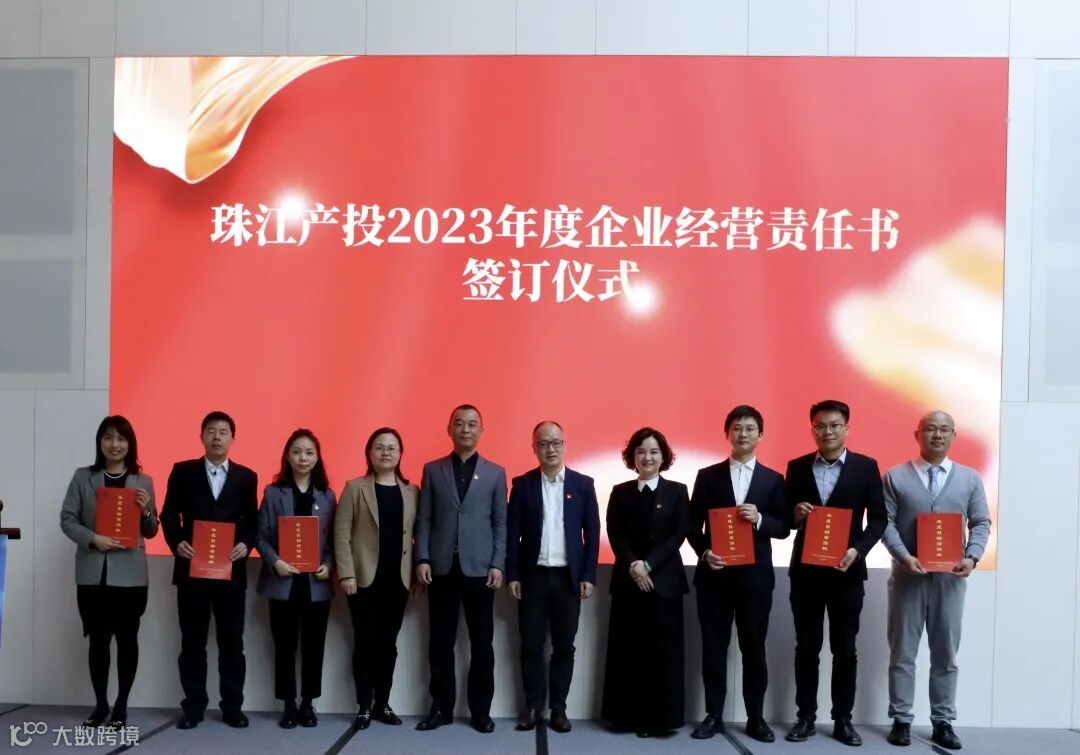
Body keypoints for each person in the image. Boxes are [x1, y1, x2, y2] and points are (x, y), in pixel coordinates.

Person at [882, 411, 991, 750]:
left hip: (950, 580)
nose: (937, 435)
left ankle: (943, 721)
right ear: (917, 434)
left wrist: (972, 557)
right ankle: (901, 719)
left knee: (945, 652)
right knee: (903, 652)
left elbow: (981, 522)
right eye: (930, 429)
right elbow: (885, 522)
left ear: (954, 436)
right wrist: (904, 556)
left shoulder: (969, 479)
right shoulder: (895, 476)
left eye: (944, 429)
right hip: (908, 578)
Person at [784, 400, 886, 747]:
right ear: (812, 429)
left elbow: (879, 519)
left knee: (845, 649)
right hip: (806, 573)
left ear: (847, 428)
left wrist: (858, 549)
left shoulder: (866, 467)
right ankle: (805, 716)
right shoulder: (797, 467)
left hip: (847, 572)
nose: (827, 431)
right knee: (806, 647)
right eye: (820, 426)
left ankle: (843, 719)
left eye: (834, 425)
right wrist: (795, 514)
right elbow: (785, 518)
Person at [686, 405, 789, 742]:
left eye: (750, 428)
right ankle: (714, 715)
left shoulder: (773, 479)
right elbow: (692, 525)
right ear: (727, 433)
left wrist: (760, 519)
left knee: (754, 649)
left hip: (755, 581)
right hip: (715, 578)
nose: (743, 434)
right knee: (713, 648)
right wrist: (704, 552)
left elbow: (783, 527)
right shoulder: (707, 476)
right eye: (737, 428)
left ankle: (755, 717)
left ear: (760, 435)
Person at [161, 411, 258, 729]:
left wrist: (246, 544)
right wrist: (177, 542)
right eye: (211, 431)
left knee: (233, 643)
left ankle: (232, 706)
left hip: (231, 573)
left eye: (223, 431)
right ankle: (193, 706)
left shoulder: (246, 477)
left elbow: (252, 521)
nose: (217, 436)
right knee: (192, 642)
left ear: (233, 438)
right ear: (201, 436)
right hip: (192, 572)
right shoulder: (182, 471)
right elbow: (168, 514)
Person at [59, 416, 158, 730]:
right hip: (93, 575)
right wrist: (93, 539)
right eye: (108, 437)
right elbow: (67, 519)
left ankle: (121, 706)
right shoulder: (83, 477)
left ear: (130, 444)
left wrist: (147, 509)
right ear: (100, 442)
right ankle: (100, 704)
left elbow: (151, 531)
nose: (115, 445)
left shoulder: (143, 481)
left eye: (121, 439)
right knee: (98, 641)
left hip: (131, 576)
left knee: (128, 640)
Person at [414, 404, 507, 733]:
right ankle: (441, 708)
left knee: (482, 643)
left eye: (472, 424)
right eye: (459, 424)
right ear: (449, 429)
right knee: (440, 642)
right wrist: (422, 558)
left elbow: (500, 523)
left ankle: (480, 711)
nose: (465, 429)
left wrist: (497, 563)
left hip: (480, 570)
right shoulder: (433, 470)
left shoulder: (495, 473)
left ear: (481, 431)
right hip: (441, 568)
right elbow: (424, 520)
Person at [506, 421, 600, 734]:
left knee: (564, 647)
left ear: (564, 445)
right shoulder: (522, 485)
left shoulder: (583, 485)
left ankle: (559, 708)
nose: (551, 449)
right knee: (531, 645)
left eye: (556, 442)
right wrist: (513, 573)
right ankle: (533, 707)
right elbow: (512, 534)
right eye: (544, 443)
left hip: (568, 578)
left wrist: (588, 574)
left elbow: (592, 533)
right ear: (534, 448)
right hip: (532, 576)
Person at [601, 427, 690, 738]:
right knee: (628, 650)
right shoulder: (620, 491)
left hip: (665, 583)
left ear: (663, 456)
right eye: (641, 451)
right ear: (632, 457)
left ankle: (660, 720)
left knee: (663, 652)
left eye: (653, 451)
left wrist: (649, 565)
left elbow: (678, 534)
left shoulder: (677, 491)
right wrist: (634, 566)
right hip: (629, 581)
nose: (647, 457)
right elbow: (615, 533)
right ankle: (626, 717)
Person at [334, 427, 418, 729]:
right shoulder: (354, 487)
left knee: (388, 645)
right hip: (363, 580)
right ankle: (364, 706)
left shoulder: (411, 491)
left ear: (400, 454)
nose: (386, 452)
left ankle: (383, 703)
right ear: (369, 453)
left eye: (392, 448)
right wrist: (346, 572)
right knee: (365, 642)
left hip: (398, 581)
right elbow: (341, 533)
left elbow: (416, 535)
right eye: (379, 447)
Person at [255, 429, 336, 729]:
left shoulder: (328, 495)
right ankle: (289, 704)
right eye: (297, 452)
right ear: (287, 456)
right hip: (283, 583)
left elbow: (335, 541)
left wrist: (329, 564)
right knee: (285, 647)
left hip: (316, 585)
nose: (303, 458)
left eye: (309, 452)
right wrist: (275, 561)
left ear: (317, 458)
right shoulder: (272, 492)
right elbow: (260, 536)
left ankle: (308, 703)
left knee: (314, 648)